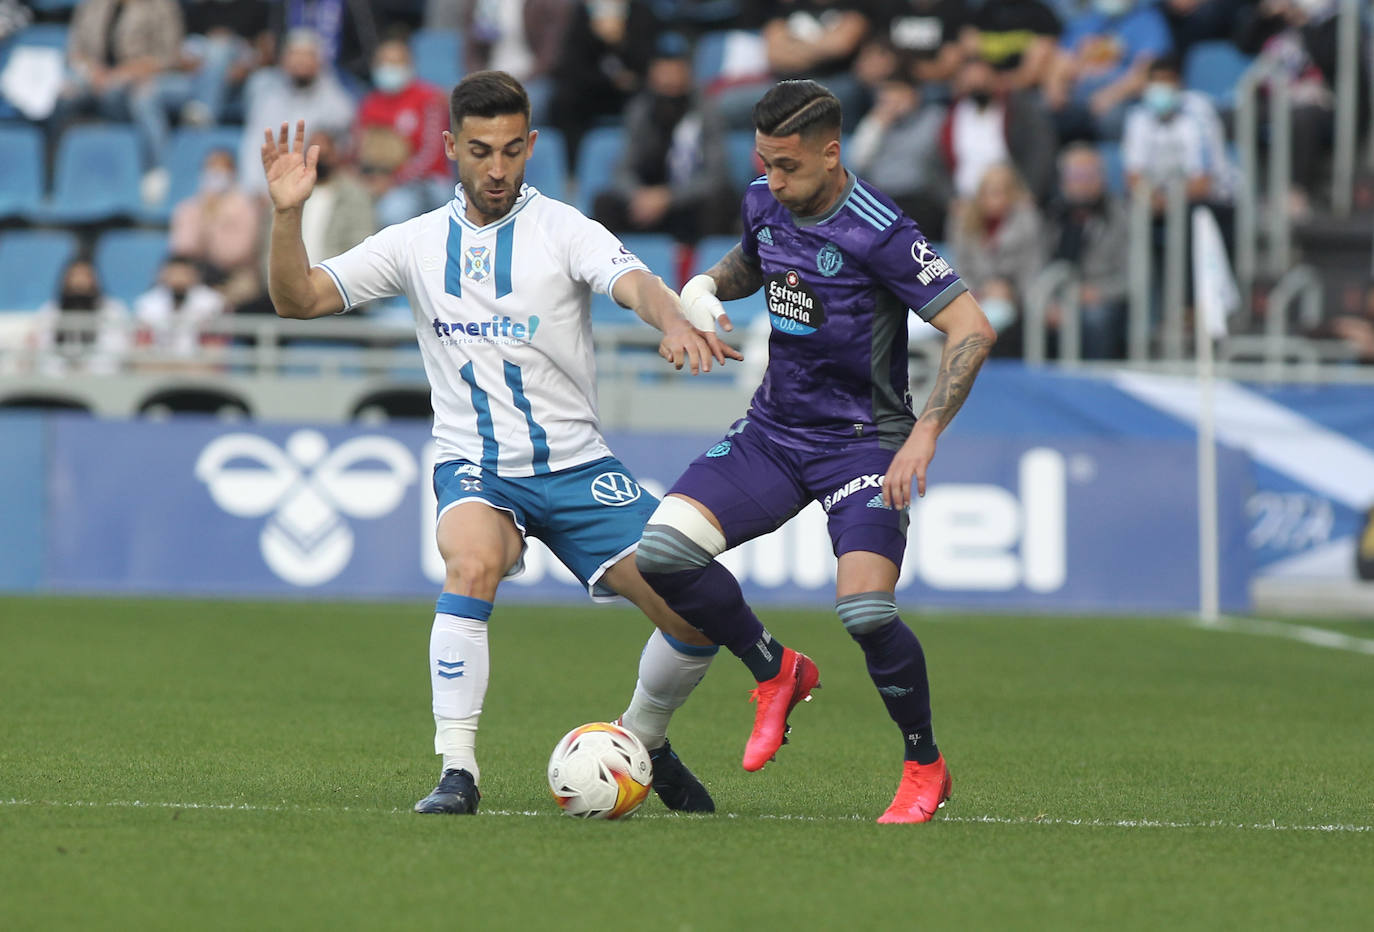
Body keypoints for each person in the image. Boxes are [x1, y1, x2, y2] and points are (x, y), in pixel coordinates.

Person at [260, 70, 742, 816]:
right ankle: (458, 771)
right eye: (480, 150)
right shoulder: (415, 242)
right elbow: (297, 299)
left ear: (531, 147)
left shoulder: (564, 229)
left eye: (512, 150)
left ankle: (641, 738)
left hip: (577, 466)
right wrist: (287, 216)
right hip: (475, 464)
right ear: (451, 147)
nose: (496, 168)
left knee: (696, 617)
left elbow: (634, 281)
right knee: (473, 560)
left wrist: (674, 318)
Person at [635, 79, 996, 823]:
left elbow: (973, 327)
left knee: (865, 610)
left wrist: (924, 432)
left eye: (788, 167)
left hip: (863, 443)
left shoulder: (882, 230)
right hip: (774, 430)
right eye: (764, 163)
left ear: (832, 154)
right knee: (664, 552)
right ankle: (776, 667)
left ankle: (924, 763)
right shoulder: (766, 199)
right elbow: (753, 258)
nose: (773, 180)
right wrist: (705, 286)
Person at [592, 32, 732, 244]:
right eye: (663, 68)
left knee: (720, 202)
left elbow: (715, 175)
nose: (670, 75)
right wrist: (639, 196)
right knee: (604, 204)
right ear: (652, 73)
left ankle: (701, 269)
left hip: (686, 201)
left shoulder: (707, 110)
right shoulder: (640, 110)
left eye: (677, 67)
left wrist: (668, 197)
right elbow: (623, 168)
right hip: (645, 200)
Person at [239, 28, 355, 195]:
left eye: (307, 55)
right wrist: (256, 190)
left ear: (319, 61)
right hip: (270, 188)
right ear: (284, 60)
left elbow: (342, 149)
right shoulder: (268, 100)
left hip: (318, 188)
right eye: (295, 55)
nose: (300, 61)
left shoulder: (337, 103)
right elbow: (254, 145)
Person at [356, 37, 454, 229]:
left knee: (392, 212)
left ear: (410, 65)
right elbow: (360, 150)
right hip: (378, 180)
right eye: (384, 62)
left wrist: (394, 180)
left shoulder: (429, 98)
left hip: (427, 181)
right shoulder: (370, 103)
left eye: (396, 62)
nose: (389, 68)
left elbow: (431, 154)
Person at [950, 161, 1047, 355]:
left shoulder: (1028, 221)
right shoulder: (964, 221)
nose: (992, 199)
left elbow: (1033, 268)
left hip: (1014, 301)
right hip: (973, 296)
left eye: (999, 192)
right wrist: (981, 292)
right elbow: (958, 267)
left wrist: (1010, 292)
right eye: (987, 192)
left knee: (995, 318)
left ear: (1012, 194)